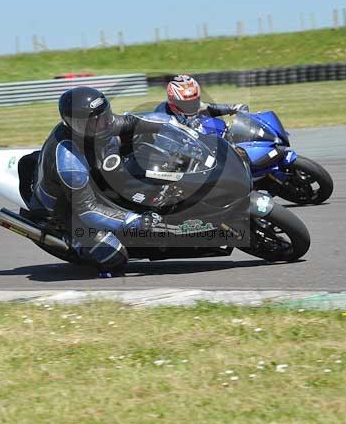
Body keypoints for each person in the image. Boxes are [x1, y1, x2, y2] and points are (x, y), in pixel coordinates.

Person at [29, 86, 167, 277]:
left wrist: (173, 125)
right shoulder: (69, 162)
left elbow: (133, 121)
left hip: (92, 182)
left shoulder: (102, 122)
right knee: (115, 258)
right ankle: (78, 244)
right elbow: (87, 209)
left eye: (105, 116)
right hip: (69, 209)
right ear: (75, 125)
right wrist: (133, 221)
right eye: (95, 122)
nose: (104, 124)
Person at [154, 74, 249, 131]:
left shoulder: (197, 106)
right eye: (186, 104)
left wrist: (236, 108)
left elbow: (210, 107)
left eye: (194, 102)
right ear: (173, 102)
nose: (191, 106)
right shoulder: (162, 113)